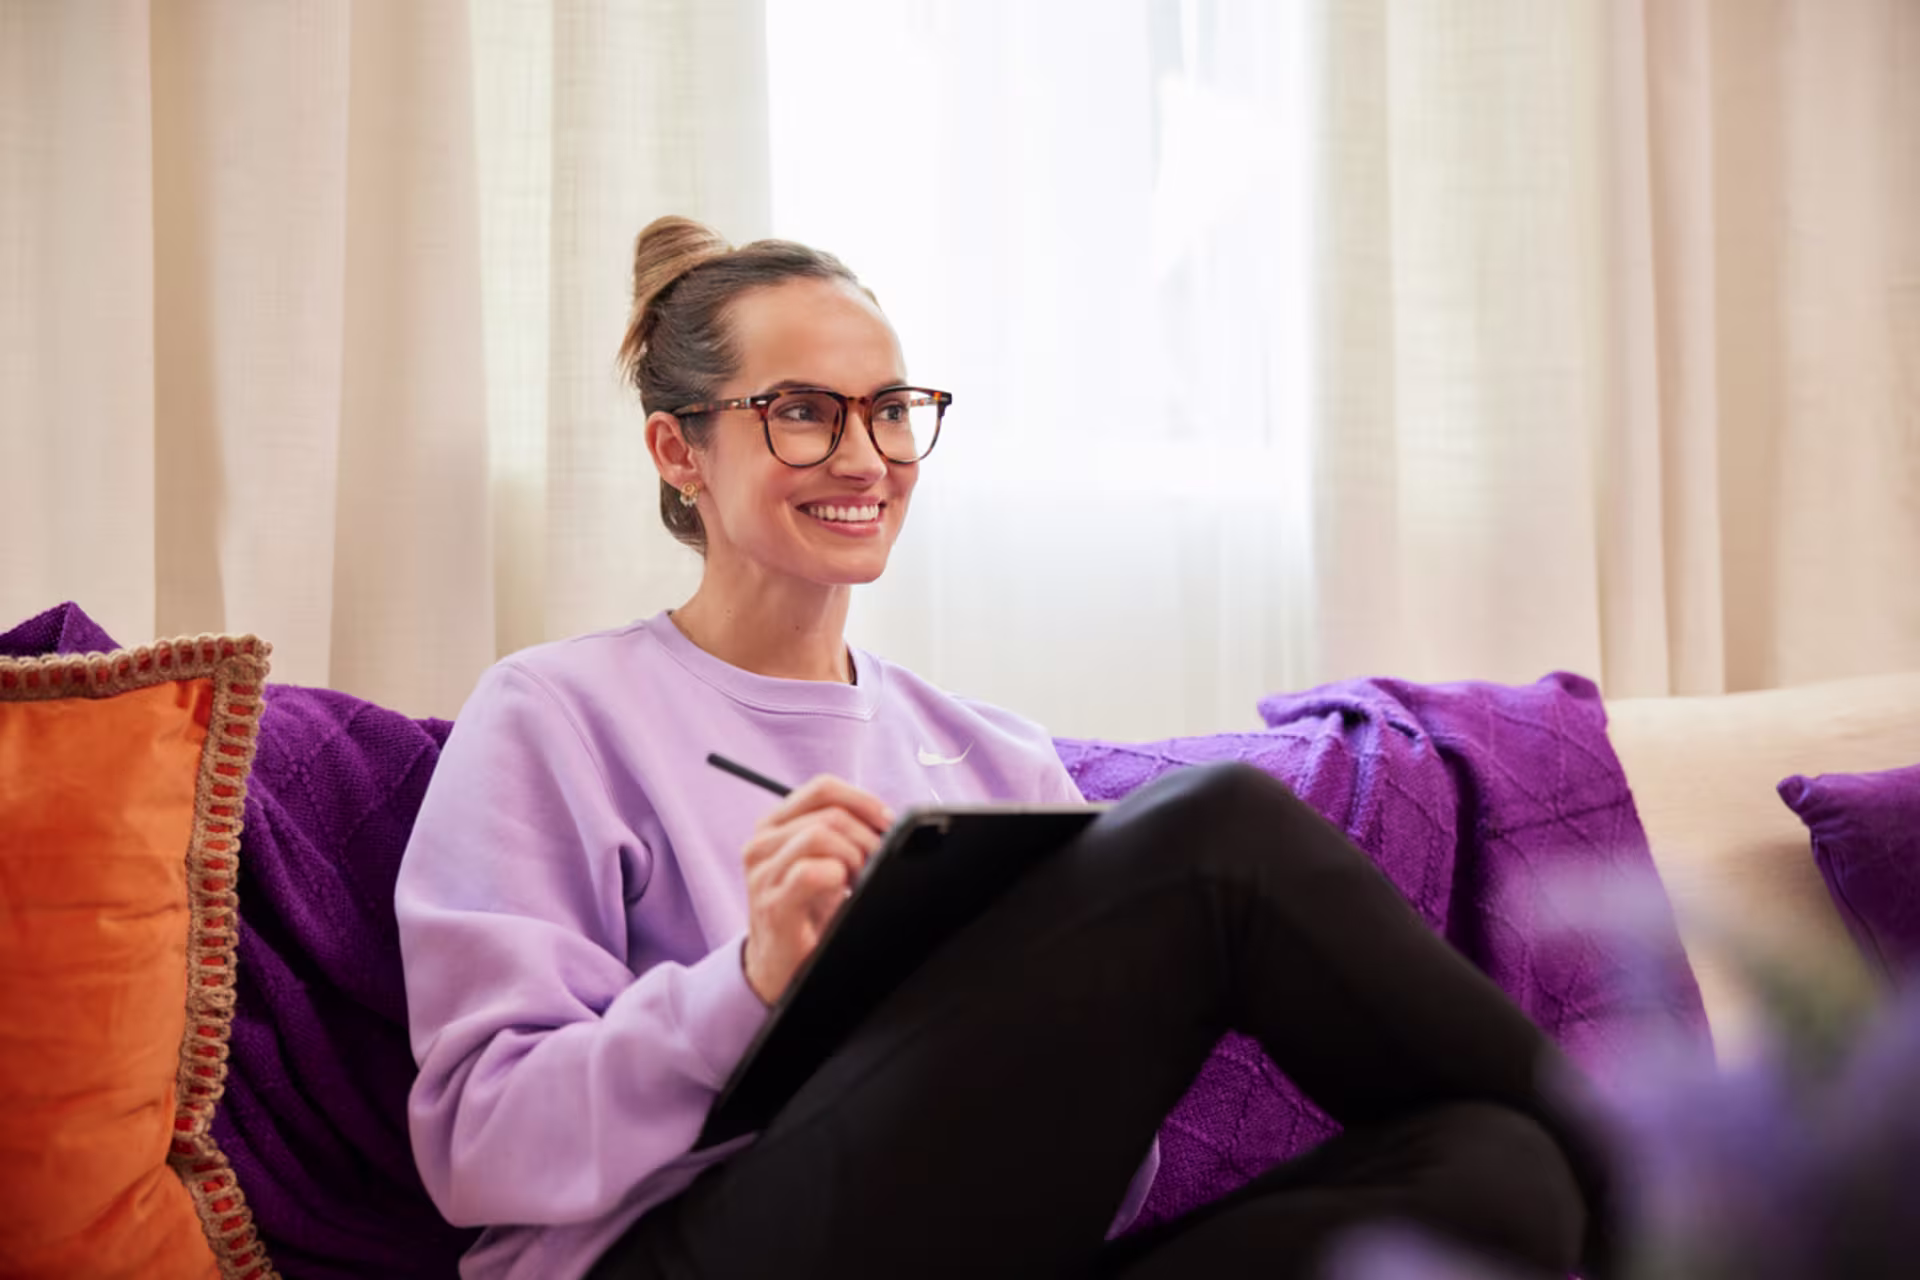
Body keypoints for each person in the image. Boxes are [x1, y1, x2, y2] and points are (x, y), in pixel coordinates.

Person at [395, 216, 1615, 1280]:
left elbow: (1106, 1176)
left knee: (1498, 1173)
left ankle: (1619, 1193)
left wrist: (996, 1036)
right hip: (673, 1257)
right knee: (1218, 832)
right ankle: (1692, 1209)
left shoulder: (984, 757)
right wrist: (754, 980)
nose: (866, 457)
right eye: (805, 415)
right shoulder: (557, 713)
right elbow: (482, 1142)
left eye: (890, 410)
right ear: (678, 451)